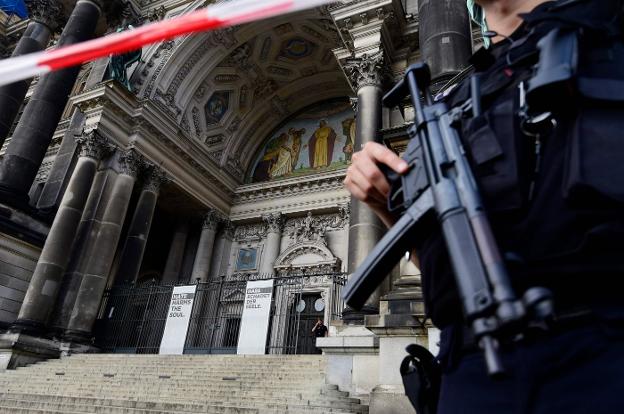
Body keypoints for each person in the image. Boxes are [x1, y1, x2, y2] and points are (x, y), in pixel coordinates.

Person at [344, 0, 624, 413]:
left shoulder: (607, 39)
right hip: (473, 373)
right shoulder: (454, 103)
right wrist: (388, 206)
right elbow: (449, 260)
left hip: (600, 356)